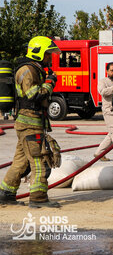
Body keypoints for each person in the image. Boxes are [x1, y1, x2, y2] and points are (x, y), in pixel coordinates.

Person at [0, 36, 61, 207]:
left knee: (21, 161)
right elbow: (33, 95)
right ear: (38, 53)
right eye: (48, 54)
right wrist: (50, 83)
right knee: (39, 160)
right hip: (30, 123)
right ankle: (38, 198)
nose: (50, 58)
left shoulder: (35, 69)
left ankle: (5, 193)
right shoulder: (27, 70)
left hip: (30, 122)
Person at [94, 62, 113, 161]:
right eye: (112, 70)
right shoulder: (103, 81)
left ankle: (99, 153)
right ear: (107, 71)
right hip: (109, 112)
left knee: (112, 134)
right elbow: (102, 92)